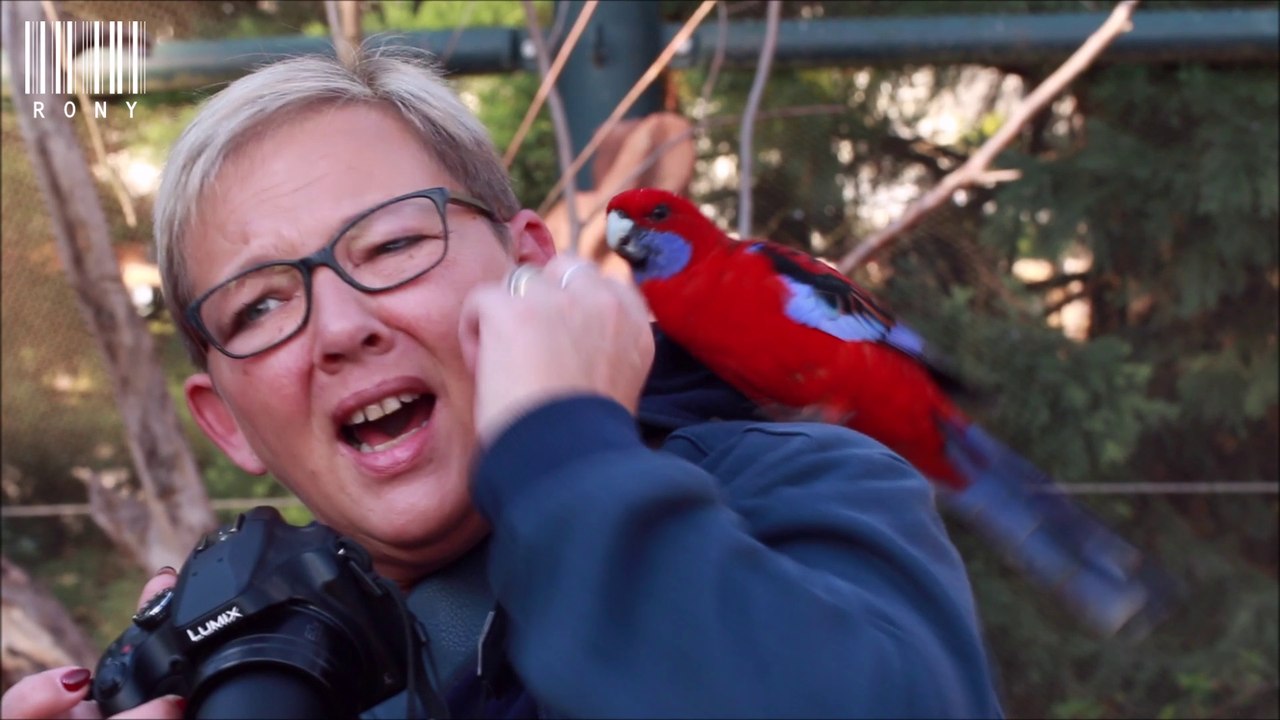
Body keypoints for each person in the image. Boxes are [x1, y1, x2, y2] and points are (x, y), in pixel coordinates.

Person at [1, 48, 1004, 719]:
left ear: (530, 262)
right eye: (258, 308)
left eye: (393, 243)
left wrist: (565, 461)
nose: (342, 327)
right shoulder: (267, 666)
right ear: (228, 425)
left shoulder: (798, 498)